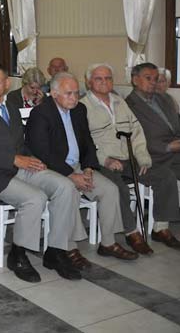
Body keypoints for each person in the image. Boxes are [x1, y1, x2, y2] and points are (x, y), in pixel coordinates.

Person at [0, 64, 82, 282]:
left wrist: (33, 159)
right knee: (35, 198)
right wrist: (13, 159)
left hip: (18, 168)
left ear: (7, 84)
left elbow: (19, 144)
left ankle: (56, 251)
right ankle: (18, 254)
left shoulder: (11, 108)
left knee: (66, 186)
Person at [25, 73, 137, 267]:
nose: (74, 98)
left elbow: (87, 143)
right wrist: (70, 175)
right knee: (69, 190)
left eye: (77, 93)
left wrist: (88, 168)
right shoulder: (41, 113)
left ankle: (108, 243)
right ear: (54, 93)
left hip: (77, 165)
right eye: (68, 93)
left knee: (110, 189)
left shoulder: (79, 110)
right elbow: (42, 151)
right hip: (51, 167)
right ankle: (69, 246)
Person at [80, 63, 175, 255]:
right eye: (99, 78)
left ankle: (161, 227)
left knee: (165, 175)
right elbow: (83, 141)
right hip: (101, 161)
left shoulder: (120, 102)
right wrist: (105, 159)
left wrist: (143, 157)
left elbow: (137, 132)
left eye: (108, 78)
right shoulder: (82, 107)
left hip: (128, 158)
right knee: (117, 187)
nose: (104, 82)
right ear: (89, 82)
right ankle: (132, 232)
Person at [124, 62, 180, 249]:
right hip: (147, 156)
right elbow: (133, 138)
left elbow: (176, 126)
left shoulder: (164, 99)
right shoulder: (128, 105)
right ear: (135, 80)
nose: (153, 82)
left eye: (156, 79)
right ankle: (160, 228)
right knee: (166, 176)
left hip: (172, 151)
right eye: (148, 78)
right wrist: (167, 147)